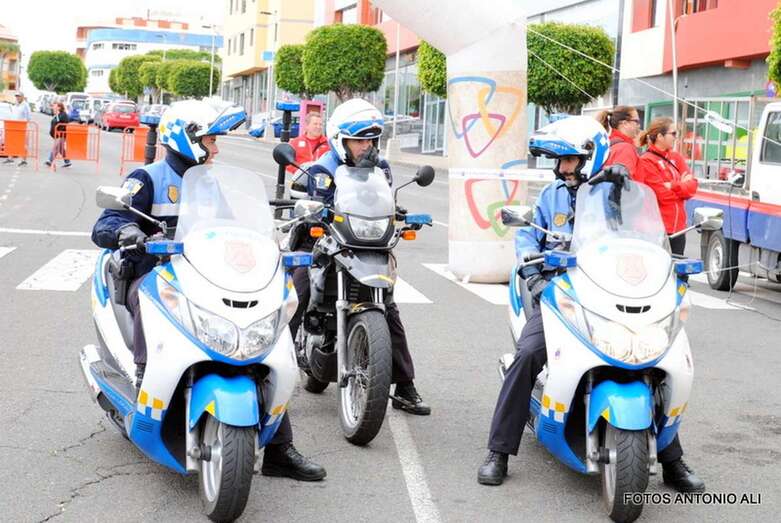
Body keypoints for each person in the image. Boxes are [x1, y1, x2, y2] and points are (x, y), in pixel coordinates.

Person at [91, 100, 326, 482]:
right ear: (185, 139)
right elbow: (105, 223)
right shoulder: (148, 178)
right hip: (157, 274)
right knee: (145, 295)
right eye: (210, 140)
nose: (215, 149)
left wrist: (271, 244)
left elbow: (236, 229)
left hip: (203, 276)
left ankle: (279, 449)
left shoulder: (212, 183)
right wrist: (127, 232)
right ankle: (145, 374)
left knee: (260, 339)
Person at [477, 116, 705, 494]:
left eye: (569, 161)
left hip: (606, 288)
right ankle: (498, 450)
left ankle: (672, 458)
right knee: (529, 354)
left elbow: (646, 235)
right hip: (560, 289)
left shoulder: (618, 193)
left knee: (655, 353)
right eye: (559, 161)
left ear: (590, 157)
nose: (562, 168)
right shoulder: (550, 197)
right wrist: (532, 266)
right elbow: (528, 238)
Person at [289, 97, 430, 416]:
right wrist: (312, 211)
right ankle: (269, 373)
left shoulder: (381, 168)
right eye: (358, 140)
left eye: (370, 140)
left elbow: (383, 201)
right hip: (320, 244)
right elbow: (311, 203)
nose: (366, 146)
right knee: (296, 290)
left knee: (389, 307)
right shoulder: (322, 169)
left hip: (364, 245)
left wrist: (402, 215)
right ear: (340, 140)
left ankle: (405, 385)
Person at [635, 117, 699, 256]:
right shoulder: (647, 160)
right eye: (674, 134)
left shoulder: (676, 157)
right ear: (659, 136)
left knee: (678, 272)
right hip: (658, 229)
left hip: (679, 228)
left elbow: (693, 187)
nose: (676, 138)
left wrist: (673, 185)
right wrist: (682, 186)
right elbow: (662, 195)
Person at [288, 111, 330, 195]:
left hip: (322, 182)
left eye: (320, 124)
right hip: (301, 182)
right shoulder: (295, 142)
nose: (318, 127)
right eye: (315, 124)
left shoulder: (329, 144)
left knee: (321, 204)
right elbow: (288, 162)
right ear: (307, 126)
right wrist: (300, 172)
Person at [596, 105, 642, 177]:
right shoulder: (625, 149)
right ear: (625, 124)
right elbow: (625, 183)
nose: (639, 126)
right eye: (637, 121)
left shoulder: (610, 142)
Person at [2, 92, 32, 166]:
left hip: (22, 127)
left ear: (22, 97)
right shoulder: (16, 104)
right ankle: (10, 158)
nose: (17, 97)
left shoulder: (25, 105)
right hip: (13, 126)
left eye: (19, 96)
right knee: (12, 142)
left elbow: (28, 117)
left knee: (23, 143)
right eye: (16, 96)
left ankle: (24, 160)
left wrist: (25, 123)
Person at [45, 102, 71, 168]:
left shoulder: (63, 114)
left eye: (54, 106)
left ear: (59, 107)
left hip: (61, 134)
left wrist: (60, 131)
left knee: (56, 146)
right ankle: (67, 161)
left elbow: (64, 124)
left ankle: (49, 160)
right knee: (60, 148)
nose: (53, 107)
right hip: (56, 135)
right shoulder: (57, 114)